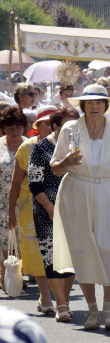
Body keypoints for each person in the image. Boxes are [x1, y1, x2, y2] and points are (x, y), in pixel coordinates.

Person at [50, 85, 110, 330]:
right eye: (90, 103)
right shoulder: (70, 129)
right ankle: (91, 311)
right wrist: (67, 161)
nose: (94, 106)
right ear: (83, 106)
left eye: (99, 102)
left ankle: (109, 309)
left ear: (106, 105)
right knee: (83, 250)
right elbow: (55, 167)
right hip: (76, 190)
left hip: (108, 192)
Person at [28, 108, 78, 322]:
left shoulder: (79, 146)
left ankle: (63, 300)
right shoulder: (41, 147)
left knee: (73, 257)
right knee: (52, 257)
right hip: (46, 209)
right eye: (67, 125)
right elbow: (35, 183)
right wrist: (50, 208)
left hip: (76, 207)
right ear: (55, 126)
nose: (72, 129)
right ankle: (61, 304)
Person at [8, 108, 54, 314]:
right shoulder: (26, 148)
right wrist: (11, 212)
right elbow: (16, 182)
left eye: (55, 122)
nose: (52, 126)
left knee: (60, 251)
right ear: (38, 126)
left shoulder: (69, 147)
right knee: (37, 252)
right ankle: (45, 295)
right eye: (47, 122)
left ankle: (60, 296)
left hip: (62, 203)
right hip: (30, 205)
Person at [0, 108, 28, 292]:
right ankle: (4, 276)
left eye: (18, 127)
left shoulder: (30, 146)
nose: (15, 132)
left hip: (25, 200)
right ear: (3, 129)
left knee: (20, 240)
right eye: (10, 128)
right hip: (1, 199)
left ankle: (16, 274)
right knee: (3, 239)